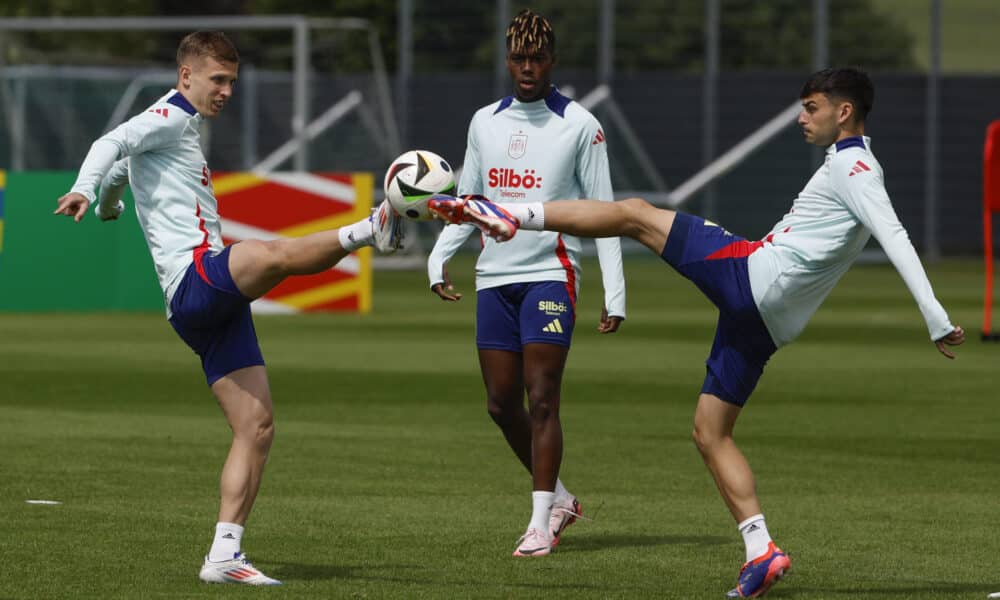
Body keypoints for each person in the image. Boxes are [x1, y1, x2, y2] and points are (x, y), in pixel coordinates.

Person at [429, 67, 966, 596]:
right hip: (767, 322)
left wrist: (934, 315)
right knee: (710, 431)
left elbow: (892, 233)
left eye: (811, 108)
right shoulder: (845, 165)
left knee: (636, 214)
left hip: (753, 276)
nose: (802, 118)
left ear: (843, 112)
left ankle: (506, 215)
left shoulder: (855, 167)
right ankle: (761, 552)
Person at [54, 31, 403, 586]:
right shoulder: (168, 117)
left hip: (203, 304)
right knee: (270, 252)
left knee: (256, 425)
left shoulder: (175, 126)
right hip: (194, 280)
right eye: (218, 80)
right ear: (186, 76)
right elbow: (110, 144)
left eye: (232, 82)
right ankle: (372, 227)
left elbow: (123, 166)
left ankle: (224, 555)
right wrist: (84, 187)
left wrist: (108, 204)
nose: (226, 91)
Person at [426, 9, 626, 557]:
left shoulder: (581, 125)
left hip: (549, 276)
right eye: (519, 58)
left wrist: (616, 290)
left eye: (537, 58)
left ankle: (540, 522)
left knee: (542, 398)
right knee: (499, 403)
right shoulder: (484, 122)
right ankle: (561, 498)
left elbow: (604, 211)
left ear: (552, 60)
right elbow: (467, 200)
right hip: (494, 277)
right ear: (508, 60)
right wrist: (438, 260)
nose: (528, 67)